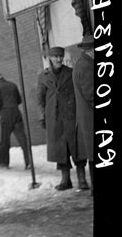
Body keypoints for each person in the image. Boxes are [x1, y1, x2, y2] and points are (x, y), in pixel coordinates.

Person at [37, 46, 89, 190]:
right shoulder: (43, 76)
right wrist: (42, 116)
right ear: (50, 58)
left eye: (60, 56)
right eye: (55, 57)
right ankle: (65, 180)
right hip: (54, 118)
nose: (59, 59)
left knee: (77, 148)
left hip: (72, 116)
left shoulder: (70, 73)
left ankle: (82, 179)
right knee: (60, 150)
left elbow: (79, 94)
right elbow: (40, 99)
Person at [0, 70, 30, 170]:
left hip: (6, 116)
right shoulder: (12, 85)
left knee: (5, 140)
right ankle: (29, 163)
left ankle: (3, 163)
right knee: (23, 140)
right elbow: (19, 100)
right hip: (16, 113)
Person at [72, 34, 94, 194]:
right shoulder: (87, 66)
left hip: (87, 119)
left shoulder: (81, 64)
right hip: (91, 119)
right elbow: (91, 94)